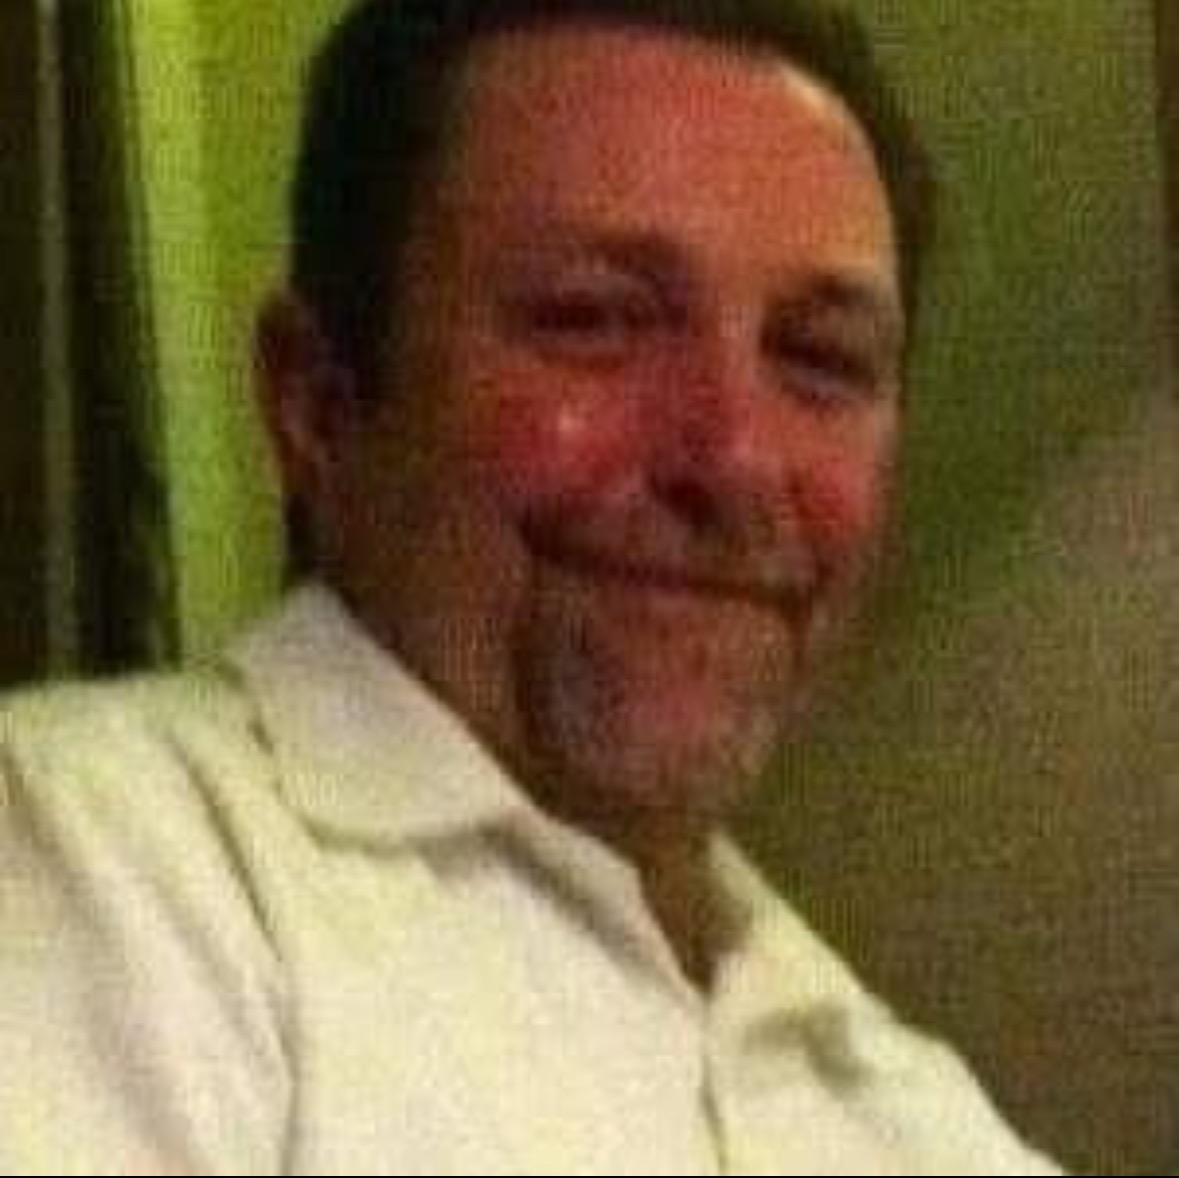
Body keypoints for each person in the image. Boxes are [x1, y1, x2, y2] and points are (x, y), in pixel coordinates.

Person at [0, 1, 1064, 1173]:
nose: (735, 458)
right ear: (317, 402)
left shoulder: (913, 1105)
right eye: (594, 318)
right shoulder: (85, 858)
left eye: (821, 358)